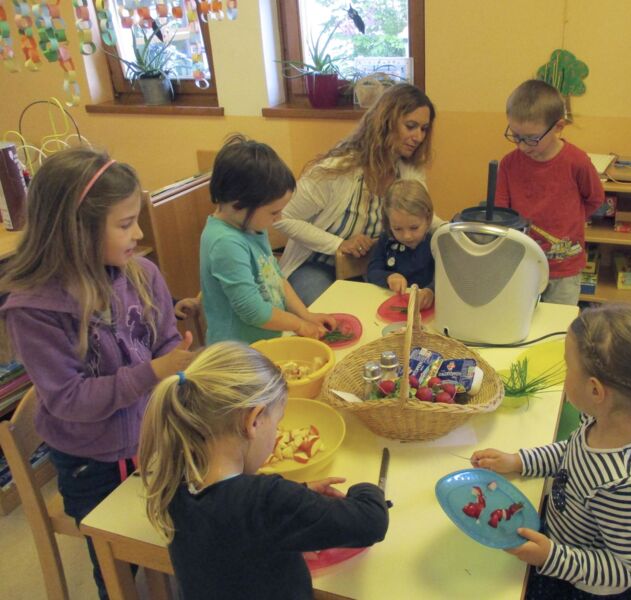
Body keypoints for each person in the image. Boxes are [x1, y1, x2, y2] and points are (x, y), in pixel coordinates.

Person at [0, 148, 194, 599]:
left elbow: (163, 339)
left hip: (152, 440)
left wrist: (177, 372)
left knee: (185, 538)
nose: (140, 233)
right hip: (91, 462)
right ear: (76, 232)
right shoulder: (35, 310)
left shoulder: (141, 273)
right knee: (115, 567)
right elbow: (68, 400)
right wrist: (152, 373)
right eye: (126, 224)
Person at [471, 303, 631, 599]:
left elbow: (626, 571)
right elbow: (571, 453)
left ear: (595, 391)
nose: (565, 376)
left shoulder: (624, 485)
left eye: (568, 366)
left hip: (587, 586)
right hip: (565, 542)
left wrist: (551, 557)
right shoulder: (604, 419)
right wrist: (519, 460)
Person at [138, 341, 390, 600]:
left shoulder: (175, 483)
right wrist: (367, 489)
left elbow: (238, 537)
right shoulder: (264, 500)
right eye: (277, 422)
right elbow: (371, 522)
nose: (277, 433)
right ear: (253, 421)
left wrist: (299, 494)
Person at [276, 83, 436, 306]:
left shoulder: (409, 172)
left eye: (424, 129)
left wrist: (458, 232)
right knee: (332, 319)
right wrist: (339, 244)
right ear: (386, 122)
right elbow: (283, 218)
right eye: (411, 126)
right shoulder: (334, 171)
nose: (418, 136)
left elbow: (426, 218)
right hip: (316, 265)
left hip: (369, 270)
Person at [200, 135, 336, 344]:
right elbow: (253, 311)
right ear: (239, 203)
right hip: (236, 354)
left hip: (265, 344)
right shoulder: (225, 243)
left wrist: (306, 316)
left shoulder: (251, 225)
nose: (278, 218)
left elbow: (276, 279)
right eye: (273, 212)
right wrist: (299, 325)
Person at [496, 79, 604, 305]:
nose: (523, 146)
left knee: (558, 329)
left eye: (532, 139)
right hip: (522, 264)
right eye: (516, 136)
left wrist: (570, 221)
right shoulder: (508, 164)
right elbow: (501, 213)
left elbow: (594, 199)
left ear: (558, 127)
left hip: (564, 269)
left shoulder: (577, 162)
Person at [366, 179, 435, 309]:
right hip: (393, 306)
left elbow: (446, 279)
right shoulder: (386, 240)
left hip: (428, 310)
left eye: (414, 228)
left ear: (428, 219)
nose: (407, 236)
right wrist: (389, 277)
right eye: (397, 229)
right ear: (388, 223)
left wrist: (431, 291)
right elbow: (372, 271)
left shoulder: (435, 243)